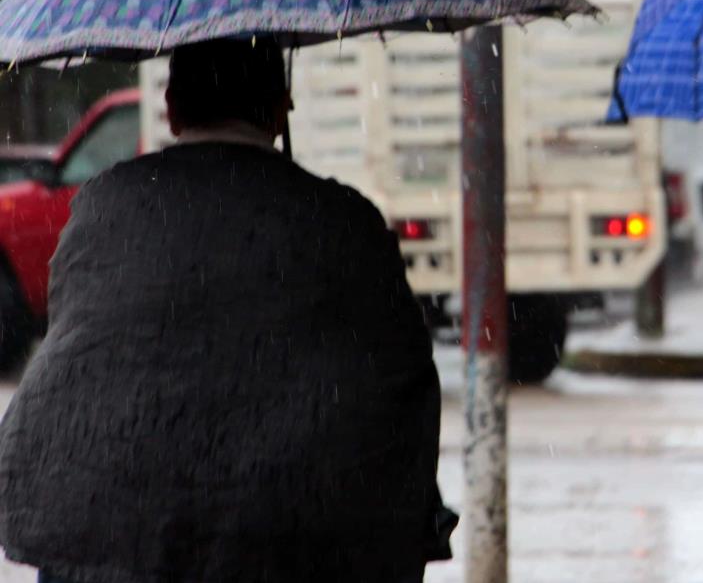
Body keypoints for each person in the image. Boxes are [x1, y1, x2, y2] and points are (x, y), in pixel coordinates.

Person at [0, 38, 450, 583]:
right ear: (282, 108)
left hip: (102, 526)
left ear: (171, 106)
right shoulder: (344, 220)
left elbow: (77, 347)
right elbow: (402, 378)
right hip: (297, 541)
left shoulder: (104, 203)